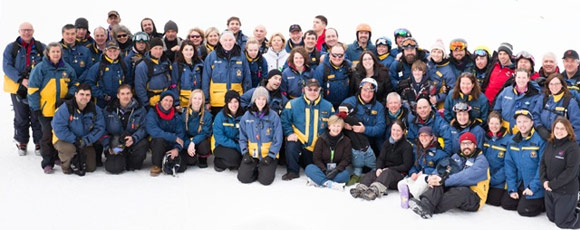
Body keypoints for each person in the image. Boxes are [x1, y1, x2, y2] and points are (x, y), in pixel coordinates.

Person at [408, 132, 490, 219]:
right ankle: (426, 204)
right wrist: (434, 177)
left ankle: (431, 208)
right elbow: (443, 168)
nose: (466, 146)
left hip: (474, 197)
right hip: (455, 189)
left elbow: (465, 176)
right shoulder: (456, 157)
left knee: (459, 190)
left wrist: (443, 181)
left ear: (475, 145)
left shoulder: (481, 161)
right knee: (438, 180)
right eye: (463, 144)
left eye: (469, 143)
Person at [28, 42, 78, 174]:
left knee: (60, 134)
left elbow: (75, 83)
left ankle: (57, 156)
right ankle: (47, 162)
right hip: (46, 110)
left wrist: (69, 95)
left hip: (62, 110)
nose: (56, 54)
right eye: (53, 51)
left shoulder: (67, 68)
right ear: (48, 53)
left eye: (58, 51)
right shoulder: (40, 68)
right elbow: (32, 89)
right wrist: (36, 107)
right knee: (47, 135)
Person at [3, 22, 45, 156]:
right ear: (19, 31)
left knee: (36, 115)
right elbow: (7, 66)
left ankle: (39, 142)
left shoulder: (40, 47)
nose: (26, 32)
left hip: (36, 88)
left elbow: (46, 65)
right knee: (21, 115)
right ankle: (22, 142)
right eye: (24, 30)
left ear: (33, 31)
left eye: (29, 30)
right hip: (17, 87)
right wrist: (21, 79)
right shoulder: (11, 48)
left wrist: (35, 80)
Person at [281, 79, 334, 180]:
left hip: (318, 146)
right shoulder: (293, 104)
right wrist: (289, 133)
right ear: (304, 89)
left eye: (315, 90)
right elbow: (285, 121)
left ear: (320, 90)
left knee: (312, 167)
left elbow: (333, 124)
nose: (312, 92)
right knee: (291, 145)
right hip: (300, 142)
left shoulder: (328, 106)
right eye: (309, 89)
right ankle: (293, 171)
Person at [350, 120, 413, 200]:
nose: (395, 132)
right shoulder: (387, 143)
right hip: (384, 173)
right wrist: (379, 168)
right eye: (393, 130)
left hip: (398, 175)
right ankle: (361, 188)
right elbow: (381, 158)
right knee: (371, 174)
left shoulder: (407, 146)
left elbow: (406, 166)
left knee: (388, 172)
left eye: (398, 130)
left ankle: (374, 190)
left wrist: (389, 169)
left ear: (403, 132)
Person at [52, 83, 105, 176]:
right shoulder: (66, 108)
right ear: (76, 94)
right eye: (82, 94)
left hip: (85, 141)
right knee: (69, 150)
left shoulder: (95, 109)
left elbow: (100, 128)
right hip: (64, 140)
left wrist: (87, 140)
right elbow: (59, 128)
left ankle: (77, 158)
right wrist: (74, 140)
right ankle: (66, 166)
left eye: (87, 95)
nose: (84, 97)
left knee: (91, 167)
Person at [502, 109, 546, 216]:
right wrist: (512, 187)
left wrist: (533, 187)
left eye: (525, 121)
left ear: (532, 123)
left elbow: (542, 167)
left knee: (523, 210)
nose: (522, 125)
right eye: (519, 122)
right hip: (520, 182)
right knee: (506, 204)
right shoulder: (513, 141)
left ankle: (542, 202)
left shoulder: (539, 140)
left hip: (535, 185)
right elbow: (509, 165)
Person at [238, 87, 283, 185]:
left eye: (263, 99)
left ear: (267, 100)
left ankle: (264, 170)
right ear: (254, 100)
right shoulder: (247, 116)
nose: (261, 101)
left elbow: (278, 138)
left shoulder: (273, 116)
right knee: (243, 178)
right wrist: (245, 153)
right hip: (252, 153)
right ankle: (255, 168)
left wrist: (271, 156)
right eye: (258, 99)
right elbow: (242, 137)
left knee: (265, 181)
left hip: (268, 154)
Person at [541, 118, 580, 229]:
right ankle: (570, 209)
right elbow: (543, 163)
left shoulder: (573, 148)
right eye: (557, 128)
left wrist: (551, 184)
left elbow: (570, 172)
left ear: (568, 130)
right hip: (550, 189)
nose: (559, 131)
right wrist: (544, 181)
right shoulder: (550, 143)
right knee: (551, 218)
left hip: (565, 190)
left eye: (562, 129)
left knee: (563, 223)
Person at [101, 85, 148, 174]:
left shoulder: (140, 109)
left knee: (143, 144)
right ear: (118, 95)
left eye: (128, 93)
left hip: (132, 142)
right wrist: (108, 146)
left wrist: (134, 138)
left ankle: (131, 162)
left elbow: (144, 128)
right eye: (122, 94)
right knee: (113, 169)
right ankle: (119, 158)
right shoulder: (109, 109)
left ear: (131, 95)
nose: (125, 96)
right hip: (117, 144)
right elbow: (102, 129)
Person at [397, 126, 448, 208]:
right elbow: (415, 165)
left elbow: (440, 169)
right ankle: (408, 193)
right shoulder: (418, 151)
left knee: (422, 178)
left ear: (431, 137)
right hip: (418, 177)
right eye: (421, 135)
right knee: (401, 183)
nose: (423, 138)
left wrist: (424, 171)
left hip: (431, 180)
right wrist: (413, 173)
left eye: (426, 135)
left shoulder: (439, 153)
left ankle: (411, 196)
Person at [202, 31, 251, 115]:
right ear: (220, 41)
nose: (228, 43)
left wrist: (246, 99)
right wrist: (206, 101)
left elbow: (247, 79)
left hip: (235, 102)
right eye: (225, 40)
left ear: (234, 41)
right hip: (217, 102)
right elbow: (205, 79)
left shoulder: (241, 56)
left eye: (230, 40)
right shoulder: (212, 56)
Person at [341, 77, 386, 157]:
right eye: (365, 90)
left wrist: (364, 129)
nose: (367, 94)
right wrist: (343, 125)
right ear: (360, 90)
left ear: (374, 93)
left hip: (371, 142)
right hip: (352, 142)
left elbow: (381, 128)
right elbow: (335, 119)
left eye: (371, 91)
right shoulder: (349, 102)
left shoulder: (379, 107)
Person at [305, 115, 351, 190]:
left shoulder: (346, 141)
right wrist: (324, 170)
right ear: (329, 127)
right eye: (334, 126)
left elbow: (346, 159)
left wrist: (337, 170)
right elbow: (316, 158)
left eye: (338, 126)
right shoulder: (321, 139)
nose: (336, 128)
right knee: (309, 168)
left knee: (345, 175)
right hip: (323, 169)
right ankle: (329, 184)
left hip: (337, 169)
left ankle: (319, 181)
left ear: (342, 127)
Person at [145, 90, 185, 176]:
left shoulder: (176, 115)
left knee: (182, 167)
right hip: (158, 144)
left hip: (171, 144)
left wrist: (177, 149)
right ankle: (157, 165)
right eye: (166, 100)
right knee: (159, 140)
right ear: (161, 101)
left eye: (171, 101)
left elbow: (180, 133)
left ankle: (170, 158)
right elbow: (153, 130)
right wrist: (173, 137)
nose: (168, 103)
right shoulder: (153, 113)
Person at [532, 73, 580, 143]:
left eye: (557, 84)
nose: (554, 86)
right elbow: (535, 115)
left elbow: (577, 126)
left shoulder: (569, 102)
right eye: (551, 84)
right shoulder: (543, 98)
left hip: (562, 141)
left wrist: (573, 145)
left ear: (562, 85)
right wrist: (540, 128)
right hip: (543, 139)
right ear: (548, 85)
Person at [336, 103, 375, 185]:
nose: (342, 115)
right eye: (341, 113)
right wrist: (343, 125)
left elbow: (355, 122)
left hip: (366, 148)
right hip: (355, 151)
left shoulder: (356, 120)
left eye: (344, 112)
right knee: (357, 166)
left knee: (373, 164)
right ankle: (356, 176)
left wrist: (345, 117)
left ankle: (373, 175)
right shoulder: (342, 125)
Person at [493, 68, 541, 133]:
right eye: (519, 77)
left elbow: (535, 115)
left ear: (528, 79)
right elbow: (497, 110)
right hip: (504, 131)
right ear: (515, 78)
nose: (521, 80)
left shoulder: (534, 95)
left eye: (524, 78)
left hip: (523, 132)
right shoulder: (506, 91)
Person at [84, 40, 128, 108]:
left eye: (115, 50)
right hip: (102, 103)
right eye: (110, 51)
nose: (112, 53)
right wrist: (102, 95)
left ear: (119, 51)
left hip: (120, 102)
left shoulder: (123, 65)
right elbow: (89, 83)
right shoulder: (98, 67)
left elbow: (128, 81)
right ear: (105, 51)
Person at [134, 38, 175, 108]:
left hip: (166, 100)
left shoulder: (166, 62)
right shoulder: (143, 66)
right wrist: (146, 104)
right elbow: (139, 87)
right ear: (150, 49)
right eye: (155, 48)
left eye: (160, 48)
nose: (158, 51)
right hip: (152, 102)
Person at [483, 111, 510, 206]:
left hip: (498, 180)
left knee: (494, 201)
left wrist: (493, 180)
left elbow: (507, 165)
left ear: (501, 124)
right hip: (485, 178)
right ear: (488, 123)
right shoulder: (486, 138)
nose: (494, 126)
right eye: (491, 123)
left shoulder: (508, 140)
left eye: (497, 124)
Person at [314, 43, 353, 108]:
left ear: (344, 56)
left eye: (340, 55)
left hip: (345, 104)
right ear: (329, 55)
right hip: (327, 105)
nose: (337, 58)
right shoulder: (321, 69)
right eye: (334, 55)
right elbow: (316, 89)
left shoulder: (349, 66)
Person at [213, 90, 243, 172]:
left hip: (238, 144)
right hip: (222, 145)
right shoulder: (220, 116)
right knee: (234, 158)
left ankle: (233, 162)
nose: (233, 105)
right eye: (230, 102)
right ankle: (218, 162)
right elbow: (219, 137)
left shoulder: (243, 115)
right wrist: (236, 145)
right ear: (226, 103)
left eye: (235, 101)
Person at [182, 90, 213, 170]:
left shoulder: (207, 115)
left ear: (202, 101)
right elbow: (181, 133)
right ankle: (192, 154)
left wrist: (193, 142)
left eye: (200, 98)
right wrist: (189, 144)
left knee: (204, 145)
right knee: (190, 162)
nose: (197, 101)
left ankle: (202, 157)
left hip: (199, 140)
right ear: (191, 100)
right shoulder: (184, 115)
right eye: (195, 98)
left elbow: (205, 132)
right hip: (187, 141)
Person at [172, 40, 204, 108]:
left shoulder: (200, 64)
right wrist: (176, 102)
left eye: (191, 50)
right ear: (182, 51)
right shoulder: (177, 65)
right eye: (186, 49)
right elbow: (174, 84)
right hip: (183, 102)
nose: (189, 52)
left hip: (197, 101)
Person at [428, 39, 456, 106]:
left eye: (439, 52)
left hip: (440, 102)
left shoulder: (448, 70)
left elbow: (452, 89)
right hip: (427, 97)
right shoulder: (428, 64)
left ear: (443, 54)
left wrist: (437, 98)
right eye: (434, 51)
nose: (436, 54)